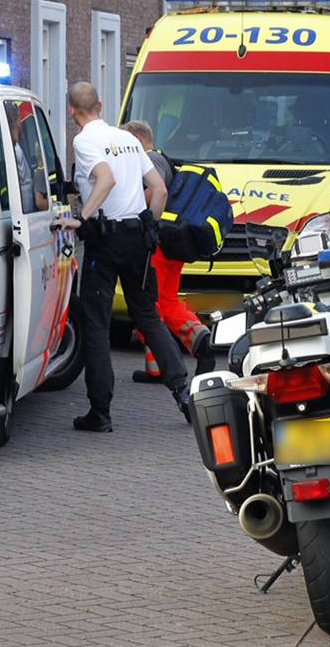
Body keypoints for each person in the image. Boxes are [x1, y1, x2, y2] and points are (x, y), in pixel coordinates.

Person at [67, 82, 190, 433]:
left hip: (105, 243)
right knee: (148, 317)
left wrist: (83, 218)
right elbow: (160, 189)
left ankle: (100, 412)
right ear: (101, 105)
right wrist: (150, 224)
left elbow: (103, 181)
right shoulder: (129, 139)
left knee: (97, 323)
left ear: (72, 111)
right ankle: (183, 393)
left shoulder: (84, 141)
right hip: (138, 238)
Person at [119, 120, 214, 383]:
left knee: (152, 306)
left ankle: (171, 360)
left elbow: (153, 193)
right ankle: (195, 343)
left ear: (137, 139)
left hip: (159, 244)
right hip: (171, 243)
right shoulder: (161, 158)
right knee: (166, 302)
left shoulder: (150, 160)